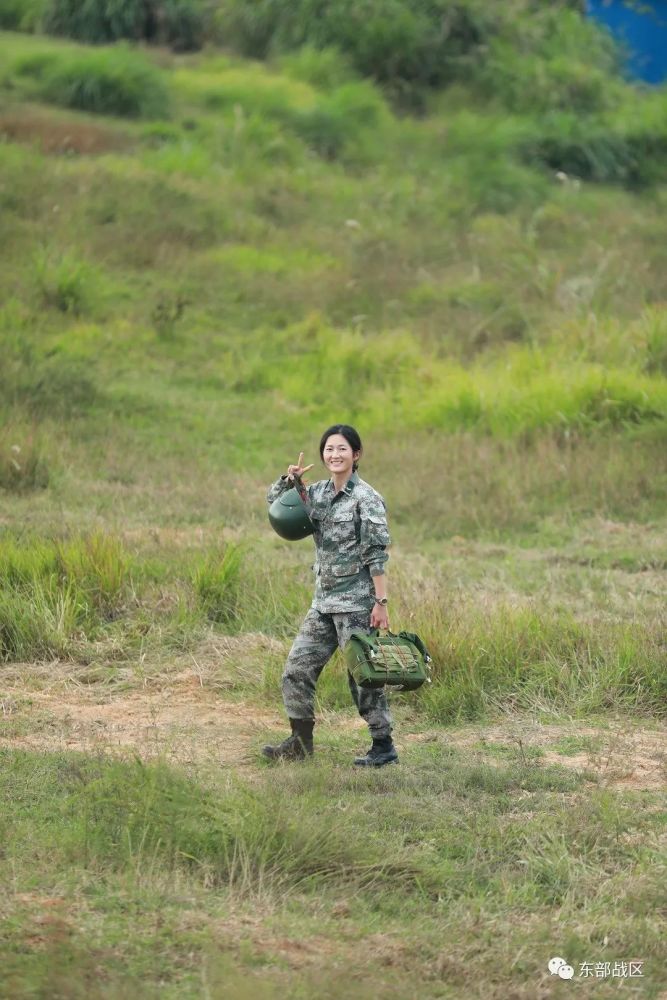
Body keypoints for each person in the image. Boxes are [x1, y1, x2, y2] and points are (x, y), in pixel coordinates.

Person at [262, 424, 398, 767]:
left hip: (356, 606)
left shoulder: (366, 498)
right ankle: (300, 743)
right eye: (329, 450)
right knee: (296, 669)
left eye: (341, 449)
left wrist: (381, 604)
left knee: (363, 679)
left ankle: (383, 746)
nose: (334, 455)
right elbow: (277, 506)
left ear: (356, 455)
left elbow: (376, 554)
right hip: (323, 604)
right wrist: (288, 480)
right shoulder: (319, 493)